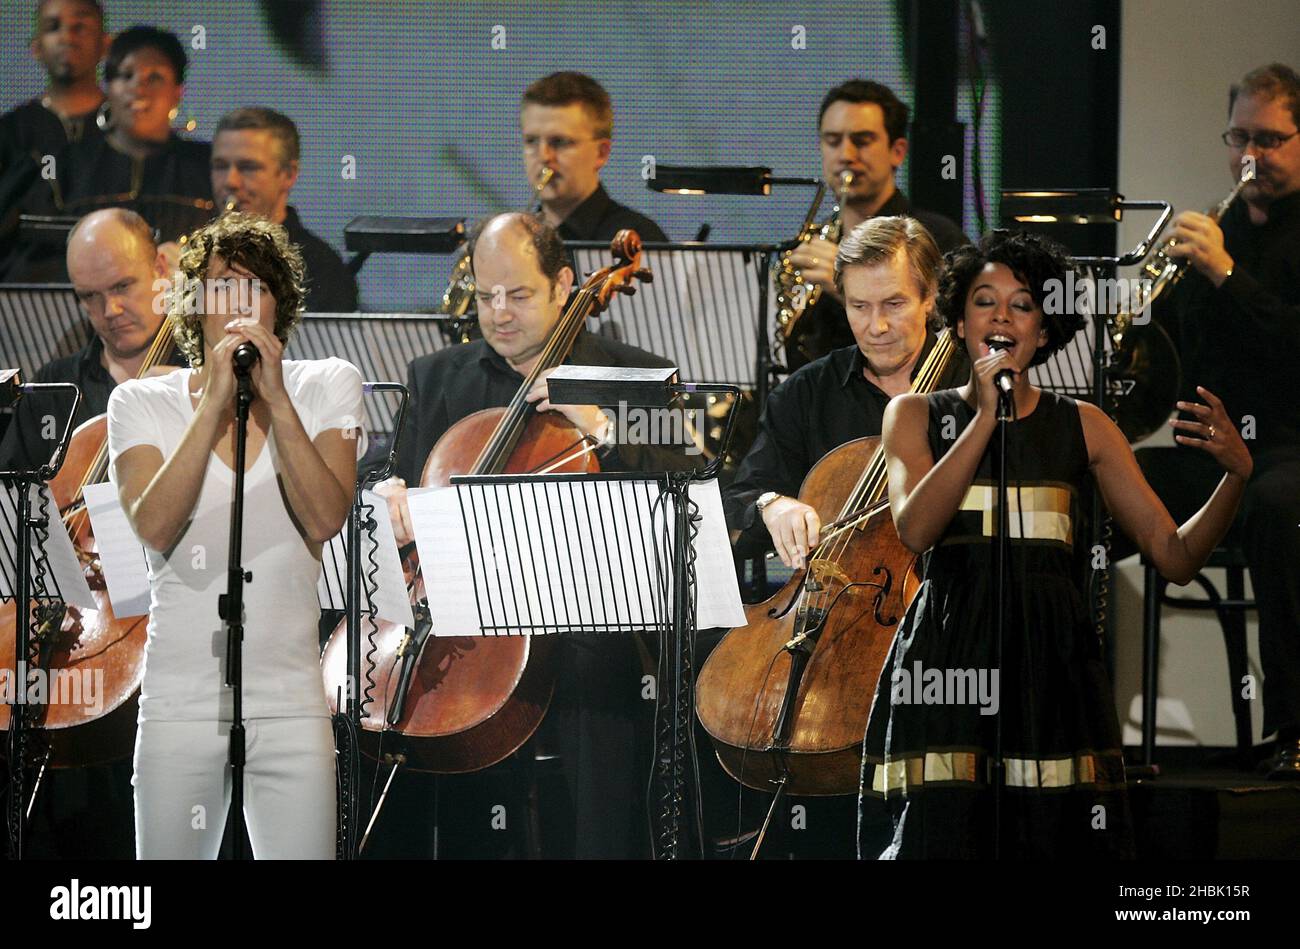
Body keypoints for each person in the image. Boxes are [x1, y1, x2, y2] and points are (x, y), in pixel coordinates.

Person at [861, 230, 1252, 858]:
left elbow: (1175, 558)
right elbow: (916, 530)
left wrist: (1236, 477)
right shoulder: (912, 415)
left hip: (1051, 666)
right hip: (952, 657)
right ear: (959, 323)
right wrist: (988, 417)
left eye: (1022, 305)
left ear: (1043, 332)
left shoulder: (1087, 427)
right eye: (984, 301)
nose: (1001, 316)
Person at [376, 211, 689, 859]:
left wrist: (601, 423)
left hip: (587, 656)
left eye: (518, 294)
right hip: (466, 652)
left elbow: (687, 481)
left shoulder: (637, 376)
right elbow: (387, 475)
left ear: (566, 285)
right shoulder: (437, 377)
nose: (498, 312)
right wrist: (389, 494)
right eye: (485, 295)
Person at [108, 213, 363, 859]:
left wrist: (275, 400)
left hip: (290, 702)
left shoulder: (325, 384)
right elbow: (154, 525)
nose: (239, 307)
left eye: (256, 289)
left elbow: (325, 518)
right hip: (179, 703)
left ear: (282, 306)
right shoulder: (141, 402)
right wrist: (213, 400)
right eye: (221, 289)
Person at [1142, 62, 1300, 778]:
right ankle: (1068, 725)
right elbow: (1173, 364)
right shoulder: (1217, 224)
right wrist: (1149, 316)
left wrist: (1229, 276)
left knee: (1277, 506)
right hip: (1206, 452)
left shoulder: (1238, 250)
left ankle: (1293, 729)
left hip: (1286, 451)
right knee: (1097, 485)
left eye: (1269, 139)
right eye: (1240, 136)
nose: (1250, 157)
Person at [725, 215, 967, 568]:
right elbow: (740, 498)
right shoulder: (805, 393)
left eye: (894, 304)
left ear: (929, 296)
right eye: (859, 306)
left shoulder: (976, 387)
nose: (876, 326)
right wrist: (773, 506)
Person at [781, 80, 969, 369]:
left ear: (897, 151)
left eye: (862, 141)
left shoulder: (938, 236)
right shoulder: (813, 241)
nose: (845, 155)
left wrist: (847, 287)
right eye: (833, 141)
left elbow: (953, 337)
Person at [2, 25, 212, 283]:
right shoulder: (58, 171)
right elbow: (23, 262)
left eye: (155, 78)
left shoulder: (209, 169)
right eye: (125, 75)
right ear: (108, 88)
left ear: (178, 91)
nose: (139, 89)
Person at [0, 207, 174, 471]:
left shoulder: (203, 371)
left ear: (160, 268)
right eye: (89, 296)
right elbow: (13, 499)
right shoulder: (53, 386)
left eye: (122, 286)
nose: (109, 310)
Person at [211, 107, 359, 312]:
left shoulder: (320, 269)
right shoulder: (200, 253)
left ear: (288, 175)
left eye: (248, 167)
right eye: (220, 166)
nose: (230, 181)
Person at [520, 71, 667, 242]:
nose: (544, 156)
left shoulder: (638, 238)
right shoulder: (517, 241)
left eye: (560, 142)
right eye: (531, 141)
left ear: (601, 153)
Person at [0, 0, 107, 181]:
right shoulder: (10, 133)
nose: (67, 38)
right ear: (37, 48)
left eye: (80, 27)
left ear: (105, 44)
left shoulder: (130, 129)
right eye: (53, 27)